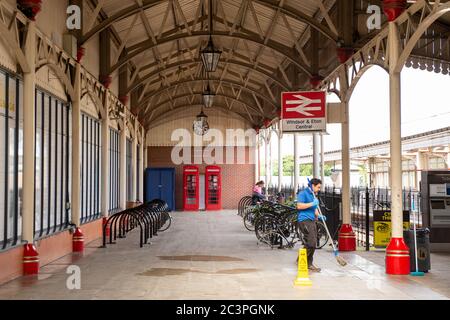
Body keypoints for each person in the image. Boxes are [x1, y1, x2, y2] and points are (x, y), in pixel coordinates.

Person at [296, 178, 322, 272]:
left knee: (312, 242)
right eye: (318, 187)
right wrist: (312, 203)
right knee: (312, 242)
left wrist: (319, 216)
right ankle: (308, 263)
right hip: (304, 220)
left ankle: (301, 259)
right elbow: (299, 206)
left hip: (311, 220)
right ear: (312, 185)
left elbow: (314, 208)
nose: (319, 189)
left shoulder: (313, 195)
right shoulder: (303, 193)